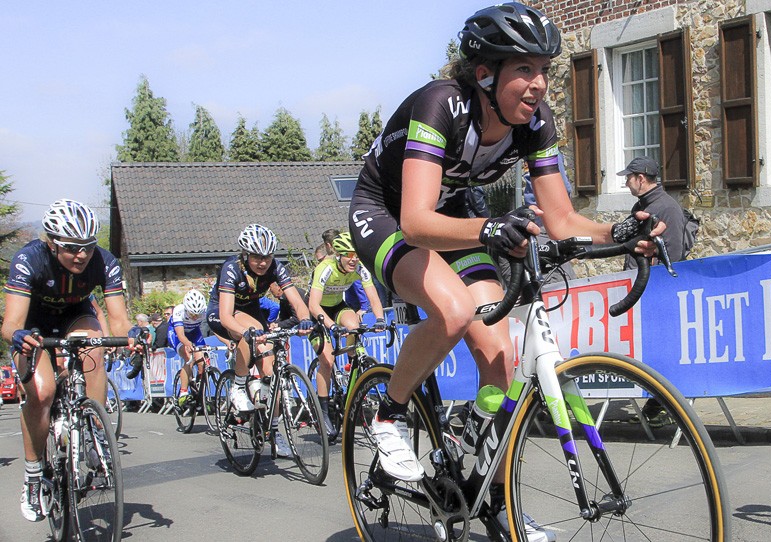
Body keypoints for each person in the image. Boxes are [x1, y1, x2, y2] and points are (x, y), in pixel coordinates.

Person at [347, 4, 664, 539]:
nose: (539, 84)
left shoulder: (534, 124)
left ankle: (488, 495)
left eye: (544, 69)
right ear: (484, 73)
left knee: (500, 352)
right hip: (388, 213)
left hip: (457, 215)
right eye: (524, 69)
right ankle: (387, 415)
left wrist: (619, 235)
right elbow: (417, 220)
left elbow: (561, 219)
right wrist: (493, 228)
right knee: (454, 309)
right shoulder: (439, 105)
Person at [2, 199, 139, 522]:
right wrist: (19, 337)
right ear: (51, 243)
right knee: (43, 393)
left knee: (94, 347)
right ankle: (34, 474)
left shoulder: (104, 262)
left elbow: (118, 319)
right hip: (34, 325)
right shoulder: (29, 260)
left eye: (88, 247)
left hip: (75, 317)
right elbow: (11, 323)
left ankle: (93, 432)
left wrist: (132, 334)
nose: (81, 255)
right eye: (71, 248)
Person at [206, 224, 314, 458]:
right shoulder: (231, 268)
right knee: (250, 330)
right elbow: (226, 316)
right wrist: (246, 333)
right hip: (223, 313)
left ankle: (273, 432)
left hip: (251, 312)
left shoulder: (275, 267)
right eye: (256, 257)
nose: (263, 263)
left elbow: (296, 300)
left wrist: (305, 319)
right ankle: (237, 385)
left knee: (271, 374)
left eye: (267, 257)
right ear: (245, 255)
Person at [619, 155, 687, 428]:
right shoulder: (643, 205)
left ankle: (662, 405)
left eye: (628, 177)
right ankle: (657, 403)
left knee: (661, 352)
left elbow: (673, 254)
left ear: (641, 178)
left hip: (655, 293)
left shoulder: (667, 208)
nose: (625, 183)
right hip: (640, 289)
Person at [307, 233, 385, 442]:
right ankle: (323, 411)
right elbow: (313, 305)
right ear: (338, 254)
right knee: (328, 361)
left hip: (337, 306)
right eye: (349, 255)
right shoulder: (325, 268)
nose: (354, 259)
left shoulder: (359, 267)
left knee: (354, 325)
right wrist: (331, 326)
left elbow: (373, 296)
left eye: (356, 255)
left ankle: (353, 361)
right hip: (317, 313)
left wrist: (380, 319)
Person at [169, 289, 210, 408]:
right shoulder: (178, 311)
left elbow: (216, 328)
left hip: (194, 333)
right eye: (192, 314)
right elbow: (181, 335)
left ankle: (200, 391)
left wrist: (226, 341)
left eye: (197, 315)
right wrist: (188, 344)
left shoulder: (205, 310)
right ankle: (183, 392)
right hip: (177, 334)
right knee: (189, 358)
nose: (195, 316)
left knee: (202, 362)